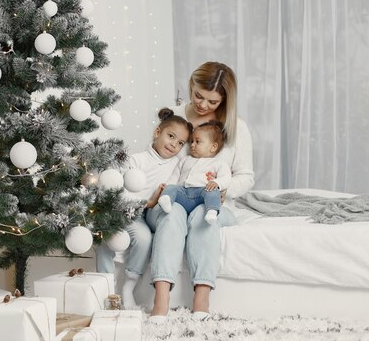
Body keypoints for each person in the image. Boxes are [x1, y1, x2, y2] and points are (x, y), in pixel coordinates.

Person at [146, 61, 255, 321]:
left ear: (225, 100)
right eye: (198, 96)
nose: (203, 105)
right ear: (191, 85)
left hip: (211, 201)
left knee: (203, 219)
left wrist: (224, 189)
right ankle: (160, 300)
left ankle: (202, 297)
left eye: (213, 102)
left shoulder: (236, 128)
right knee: (173, 216)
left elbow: (246, 177)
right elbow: (152, 161)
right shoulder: (172, 116)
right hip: (175, 197)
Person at [95, 108, 193, 308]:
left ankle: (128, 287)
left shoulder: (177, 166)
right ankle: (104, 287)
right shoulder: (136, 160)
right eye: (171, 136)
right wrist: (147, 202)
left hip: (139, 217)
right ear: (158, 132)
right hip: (118, 210)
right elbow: (118, 191)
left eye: (180, 143)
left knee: (144, 238)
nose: (174, 144)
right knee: (106, 237)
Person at [157, 121, 231, 224]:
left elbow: (226, 178)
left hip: (202, 194)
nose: (192, 145)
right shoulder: (185, 160)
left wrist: (217, 183)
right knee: (170, 188)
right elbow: (175, 176)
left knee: (214, 193)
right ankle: (166, 201)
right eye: (192, 141)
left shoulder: (218, 164)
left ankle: (212, 211)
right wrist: (168, 186)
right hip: (183, 192)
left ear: (213, 147)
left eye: (197, 141)